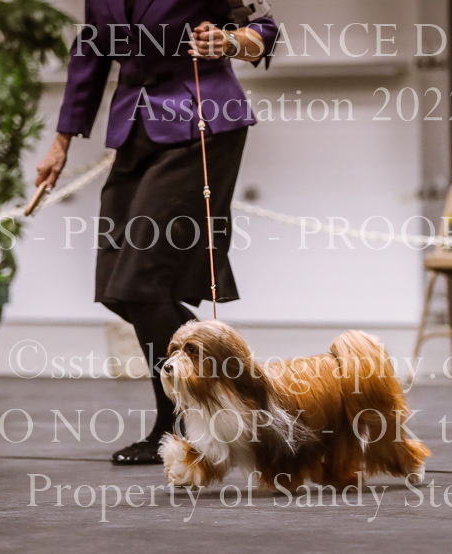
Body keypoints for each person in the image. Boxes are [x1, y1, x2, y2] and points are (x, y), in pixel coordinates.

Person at [35, 0, 279, 464]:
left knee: (141, 283)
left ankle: (177, 424)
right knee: (117, 288)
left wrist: (229, 41)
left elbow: (263, 30)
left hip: (201, 120)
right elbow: (91, 52)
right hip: (134, 127)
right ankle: (237, 387)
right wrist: (61, 141)